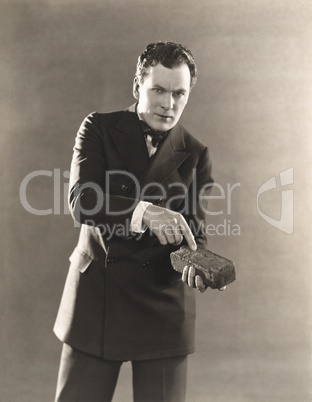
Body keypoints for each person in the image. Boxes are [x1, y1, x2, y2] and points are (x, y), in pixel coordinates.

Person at [54, 41, 220, 402]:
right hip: (99, 296)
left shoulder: (196, 153)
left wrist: (198, 263)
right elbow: (82, 200)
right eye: (158, 90)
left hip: (162, 302)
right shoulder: (98, 127)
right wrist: (145, 211)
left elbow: (195, 231)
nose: (168, 103)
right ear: (137, 87)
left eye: (179, 93)